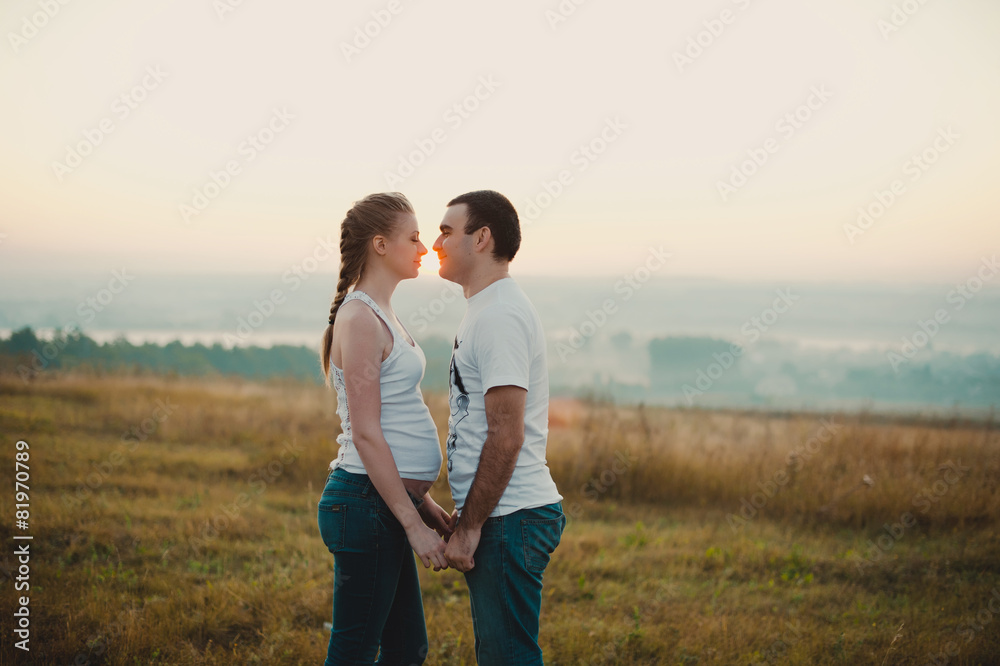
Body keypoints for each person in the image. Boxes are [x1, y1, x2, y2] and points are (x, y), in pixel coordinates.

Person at [317, 192, 453, 666]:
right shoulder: (358, 318)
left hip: (384, 505)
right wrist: (413, 525)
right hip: (363, 505)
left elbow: (392, 419)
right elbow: (367, 433)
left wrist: (425, 503)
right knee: (354, 652)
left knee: (406, 650)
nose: (425, 248)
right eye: (413, 237)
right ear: (379, 244)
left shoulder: (381, 312)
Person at [433, 190, 565, 665]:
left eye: (447, 231)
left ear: (482, 238)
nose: (435, 243)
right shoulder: (485, 308)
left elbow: (506, 435)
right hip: (500, 514)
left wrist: (470, 527)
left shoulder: (500, 315)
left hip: (510, 517)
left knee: (507, 657)